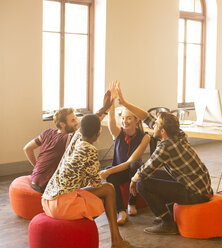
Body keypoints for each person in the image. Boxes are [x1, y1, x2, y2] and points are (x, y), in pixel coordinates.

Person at [113, 82, 213, 235]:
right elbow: (146, 117)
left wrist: (133, 180)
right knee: (150, 176)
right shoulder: (179, 134)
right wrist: (124, 102)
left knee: (142, 184)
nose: (153, 126)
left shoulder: (166, 147)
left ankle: (167, 222)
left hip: (196, 194)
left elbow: (146, 169)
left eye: (156, 125)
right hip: (202, 187)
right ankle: (169, 212)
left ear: (163, 131)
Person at [42, 90, 133, 248]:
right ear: (99, 132)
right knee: (109, 189)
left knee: (101, 189)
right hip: (62, 205)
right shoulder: (90, 150)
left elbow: (91, 121)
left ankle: (117, 240)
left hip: (48, 200)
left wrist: (105, 107)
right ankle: (116, 240)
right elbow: (97, 184)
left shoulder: (77, 136)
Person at [99, 82, 151, 225]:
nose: (124, 121)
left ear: (136, 120)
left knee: (134, 165)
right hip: (120, 170)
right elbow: (111, 119)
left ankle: (131, 203)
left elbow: (129, 163)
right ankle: (120, 211)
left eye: (128, 118)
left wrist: (108, 172)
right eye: (123, 118)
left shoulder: (145, 137)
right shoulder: (117, 133)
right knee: (109, 173)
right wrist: (113, 100)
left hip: (132, 171)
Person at [23, 108, 78, 193]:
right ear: (62, 124)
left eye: (75, 119)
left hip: (34, 180)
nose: (76, 122)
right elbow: (90, 128)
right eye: (73, 120)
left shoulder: (48, 132)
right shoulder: (68, 137)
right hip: (44, 186)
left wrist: (37, 167)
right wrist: (104, 110)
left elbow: (27, 148)